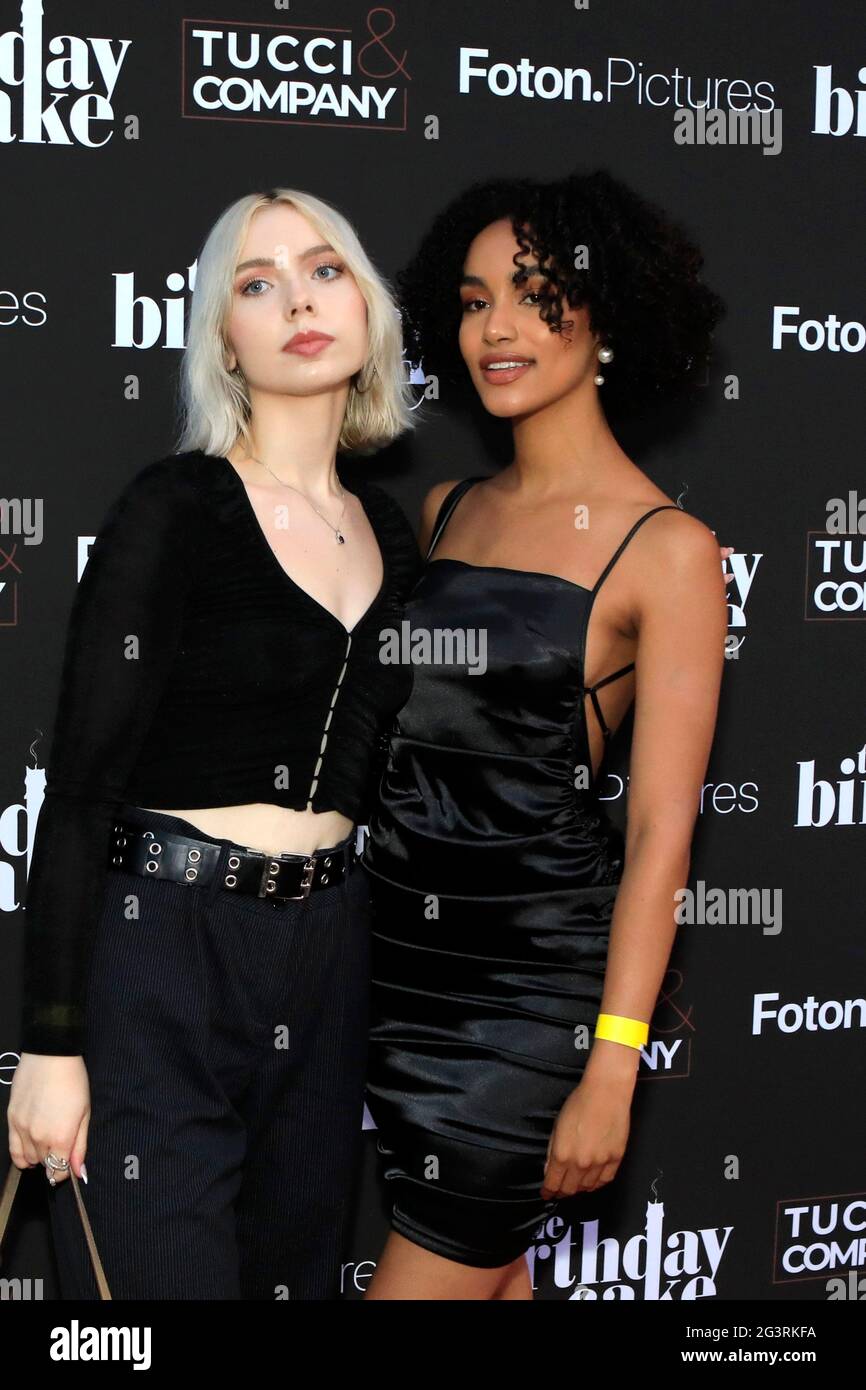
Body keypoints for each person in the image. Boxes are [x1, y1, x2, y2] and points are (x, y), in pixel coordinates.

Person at [7, 188, 422, 1299]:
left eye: (324, 269)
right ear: (224, 342)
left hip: (331, 956)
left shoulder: (393, 528)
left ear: (369, 311)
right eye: (256, 282)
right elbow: (82, 788)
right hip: (165, 952)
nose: (296, 298)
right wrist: (50, 1047)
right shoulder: (174, 508)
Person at [360, 169, 729, 1299]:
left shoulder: (668, 553)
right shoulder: (444, 511)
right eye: (472, 302)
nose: (499, 328)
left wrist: (610, 1066)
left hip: (523, 1013)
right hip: (398, 985)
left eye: (535, 293)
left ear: (605, 312)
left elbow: (662, 834)